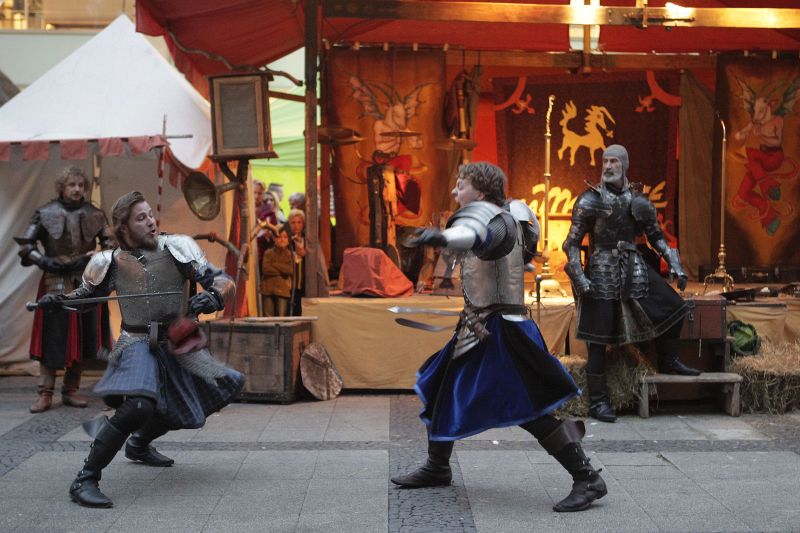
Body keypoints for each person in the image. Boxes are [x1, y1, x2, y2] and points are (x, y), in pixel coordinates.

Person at [392, 162, 607, 513]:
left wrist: (441, 237)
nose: (455, 191)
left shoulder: (495, 221)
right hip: (479, 325)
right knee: (442, 386)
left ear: (479, 190)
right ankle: (437, 465)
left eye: (461, 185)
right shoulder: (505, 217)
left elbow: (476, 236)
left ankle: (587, 478)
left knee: (527, 407)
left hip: (502, 330)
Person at [37, 191, 244, 508]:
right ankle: (85, 480)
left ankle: (139, 442)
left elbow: (222, 280)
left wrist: (214, 296)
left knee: (223, 386)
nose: (150, 221)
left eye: (150, 214)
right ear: (124, 228)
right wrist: (60, 301)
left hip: (177, 342)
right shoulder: (107, 261)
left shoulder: (178, 246)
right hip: (135, 342)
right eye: (141, 218)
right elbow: (83, 299)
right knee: (139, 406)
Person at [562, 144, 700, 424]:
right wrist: (579, 276)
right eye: (605, 161)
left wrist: (675, 264)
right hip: (601, 267)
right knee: (597, 339)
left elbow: (656, 237)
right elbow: (572, 243)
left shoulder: (638, 201)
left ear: (624, 165)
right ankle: (598, 402)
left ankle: (668, 360)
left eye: (614, 161)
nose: (608, 166)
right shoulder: (589, 200)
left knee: (674, 307)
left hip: (633, 264)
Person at [15, 166, 113, 413]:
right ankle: (45, 392)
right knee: (52, 336)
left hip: (86, 281)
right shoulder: (45, 213)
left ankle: (71, 389)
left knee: (84, 335)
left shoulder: (95, 214)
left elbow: (110, 246)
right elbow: (26, 245)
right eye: (72, 185)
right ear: (61, 187)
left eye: (81, 185)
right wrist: (45, 261)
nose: (77, 189)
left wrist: (97, 257)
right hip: (54, 281)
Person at [286, 209, 330, 316]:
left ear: (303, 224)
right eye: (293, 222)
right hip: (290, 282)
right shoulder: (286, 240)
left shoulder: (309, 241)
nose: (296, 226)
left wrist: (307, 254)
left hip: (306, 281)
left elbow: (317, 259)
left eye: (299, 222)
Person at [260, 227, 294, 316]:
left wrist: (274, 264)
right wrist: (282, 270)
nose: (282, 239)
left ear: (288, 240)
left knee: (281, 316)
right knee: (268, 317)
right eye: (279, 237)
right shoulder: (268, 253)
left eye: (285, 237)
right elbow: (266, 269)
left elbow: (289, 270)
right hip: (268, 288)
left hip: (283, 289)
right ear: (274, 239)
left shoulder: (289, 254)